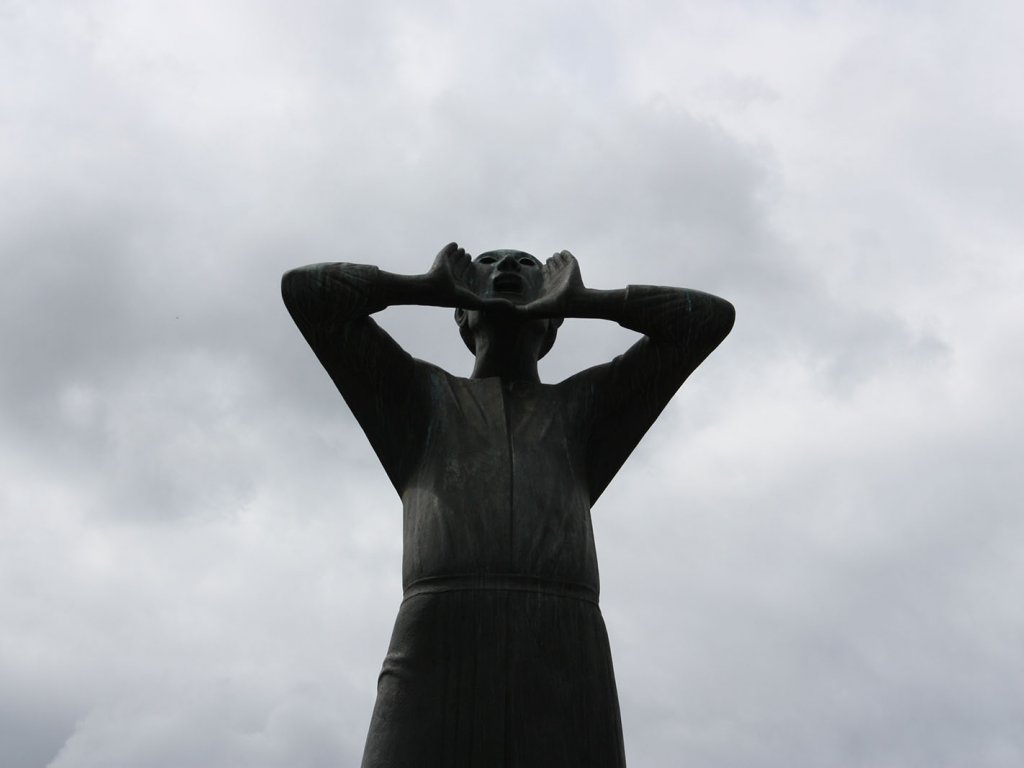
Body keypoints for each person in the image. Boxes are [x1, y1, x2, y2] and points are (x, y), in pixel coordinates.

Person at [282, 243, 734, 768]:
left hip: (563, 638)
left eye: (526, 264)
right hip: (440, 631)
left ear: (554, 319)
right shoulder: (419, 398)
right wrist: (420, 287)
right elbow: (308, 293)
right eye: (489, 263)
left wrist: (588, 299)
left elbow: (704, 319)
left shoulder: (584, 411)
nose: (507, 268)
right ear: (461, 312)